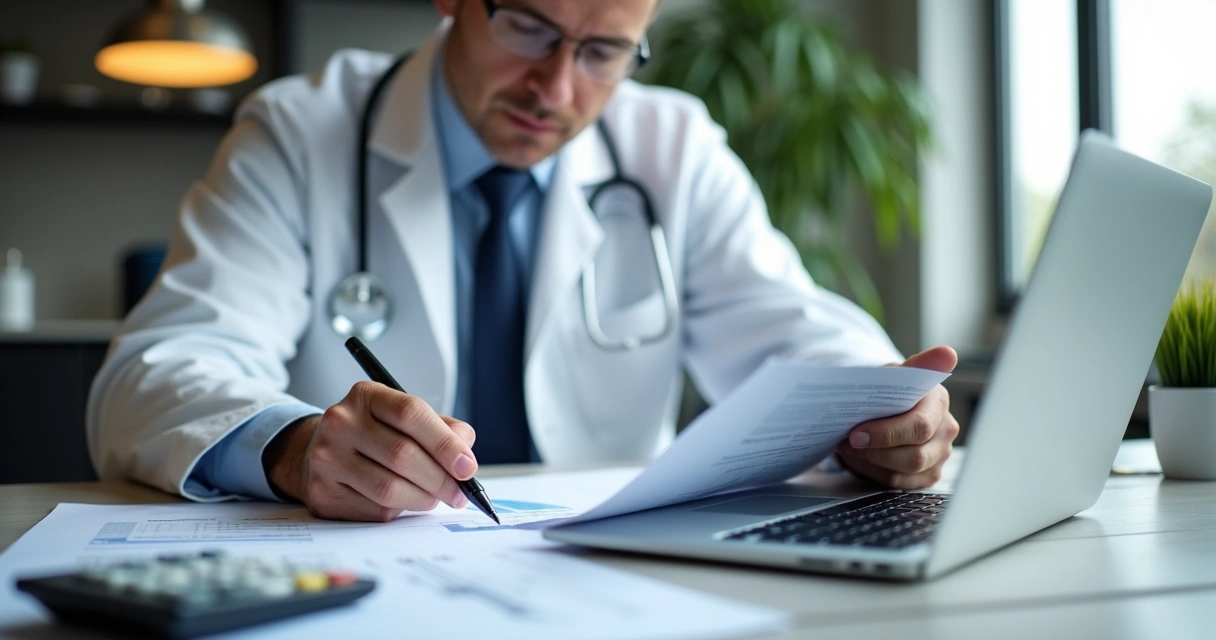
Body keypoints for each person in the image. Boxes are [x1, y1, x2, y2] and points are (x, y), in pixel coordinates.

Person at [87, 0, 960, 522]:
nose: (558, 88)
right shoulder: (301, 131)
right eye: (532, 28)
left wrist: (883, 412)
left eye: (604, 51)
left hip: (606, 581)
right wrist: (293, 446)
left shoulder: (672, 145)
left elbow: (793, 330)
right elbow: (159, 371)